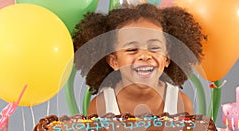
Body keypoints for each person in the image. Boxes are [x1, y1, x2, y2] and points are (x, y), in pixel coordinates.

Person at [72, 3, 205, 116]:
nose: (145, 56)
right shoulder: (101, 106)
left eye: (154, 47)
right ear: (114, 61)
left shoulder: (180, 104)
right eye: (131, 49)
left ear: (167, 59)